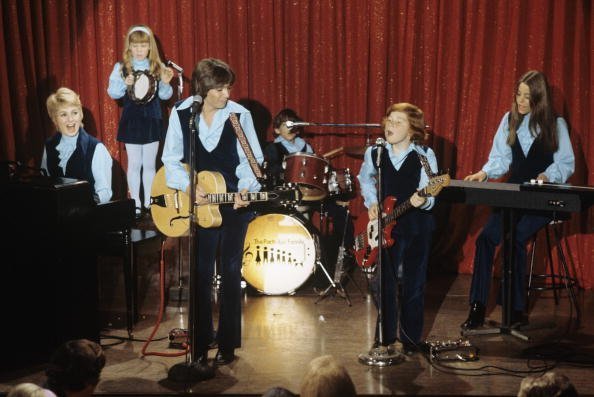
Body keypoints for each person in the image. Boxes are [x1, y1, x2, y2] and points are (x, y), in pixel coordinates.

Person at [161, 58, 263, 366]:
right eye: (219, 88)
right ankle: (201, 341)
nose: (226, 94)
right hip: (200, 206)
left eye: (228, 87)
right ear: (203, 88)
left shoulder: (237, 116)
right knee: (201, 273)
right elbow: (171, 159)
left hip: (233, 205)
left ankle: (228, 345)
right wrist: (189, 185)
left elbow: (252, 159)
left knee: (230, 272)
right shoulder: (182, 115)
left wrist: (246, 188)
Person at [461, 70, 575, 330]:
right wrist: (484, 173)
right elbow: (500, 159)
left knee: (515, 239)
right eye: (519, 95)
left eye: (528, 97)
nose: (521, 101)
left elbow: (566, 164)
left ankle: (515, 309)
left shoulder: (555, 125)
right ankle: (477, 306)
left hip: (543, 198)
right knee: (486, 238)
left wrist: (548, 175)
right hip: (514, 194)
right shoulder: (508, 120)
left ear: (539, 99)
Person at [357, 102, 438, 354]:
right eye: (389, 120)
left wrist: (422, 199)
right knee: (384, 284)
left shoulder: (425, 154)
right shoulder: (375, 152)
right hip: (385, 225)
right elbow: (365, 178)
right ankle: (385, 337)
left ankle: (411, 339)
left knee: (414, 284)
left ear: (413, 130)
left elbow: (431, 189)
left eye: (398, 122)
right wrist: (371, 202)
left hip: (416, 225)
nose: (390, 126)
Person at [263, 109, 355, 287]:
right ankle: (314, 269)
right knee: (312, 231)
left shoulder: (305, 146)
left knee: (341, 212)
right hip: (289, 197)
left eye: (294, 124)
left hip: (313, 195)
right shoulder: (272, 147)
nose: (291, 127)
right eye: (285, 124)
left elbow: (318, 172)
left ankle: (345, 255)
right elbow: (271, 172)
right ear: (276, 130)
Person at [107, 24, 174, 218]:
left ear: (150, 47)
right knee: (135, 163)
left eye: (143, 46)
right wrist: (124, 83)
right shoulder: (122, 68)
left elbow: (164, 96)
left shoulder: (157, 67)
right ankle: (135, 202)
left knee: (150, 164)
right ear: (129, 47)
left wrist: (166, 82)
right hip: (132, 119)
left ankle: (149, 202)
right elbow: (113, 92)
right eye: (135, 46)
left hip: (152, 119)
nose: (139, 50)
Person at [42, 87, 113, 203]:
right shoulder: (49, 146)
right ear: (55, 119)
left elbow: (105, 193)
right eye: (63, 114)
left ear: (81, 115)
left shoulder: (96, 148)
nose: (70, 120)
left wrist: (83, 205)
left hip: (88, 216)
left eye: (74, 113)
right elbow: (45, 184)